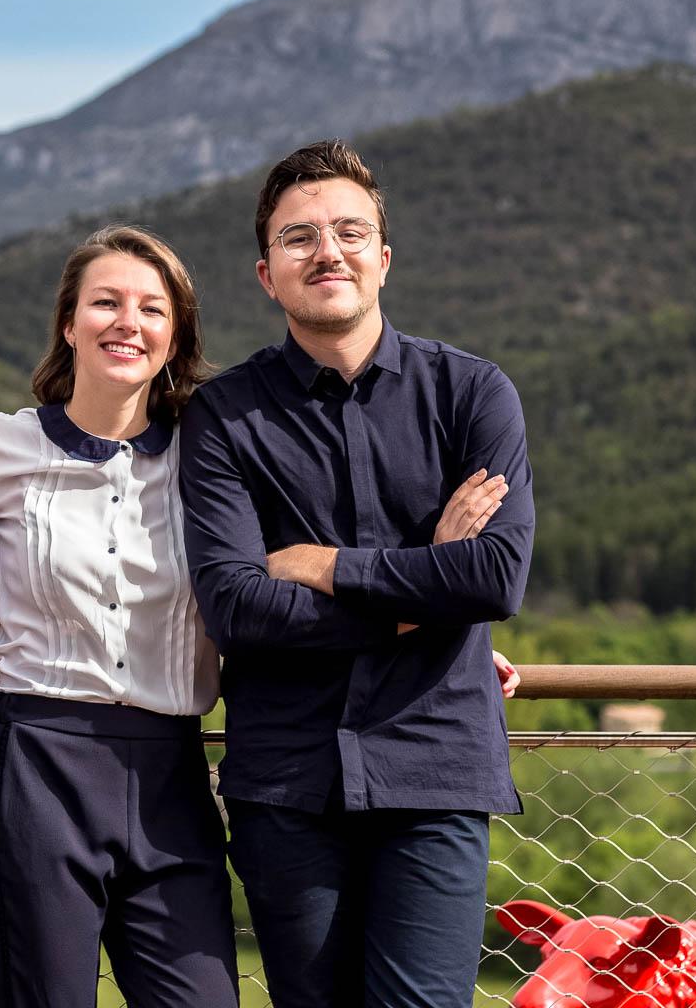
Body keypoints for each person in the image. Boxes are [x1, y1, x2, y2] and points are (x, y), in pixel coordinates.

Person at [0, 225, 523, 1008]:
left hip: (172, 764)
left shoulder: (210, 453)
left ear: (176, 336)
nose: (126, 322)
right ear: (68, 323)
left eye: (151, 308)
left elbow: (275, 599)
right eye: (104, 303)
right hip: (38, 755)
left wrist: (447, 623)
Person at [179, 139, 534, 1008]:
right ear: (268, 274)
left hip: (434, 767)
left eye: (347, 231)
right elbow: (238, 608)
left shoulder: (472, 394)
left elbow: (492, 578)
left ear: (382, 258)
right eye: (299, 238)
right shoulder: (224, 417)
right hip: (287, 780)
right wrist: (422, 592)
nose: (325, 251)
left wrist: (327, 567)